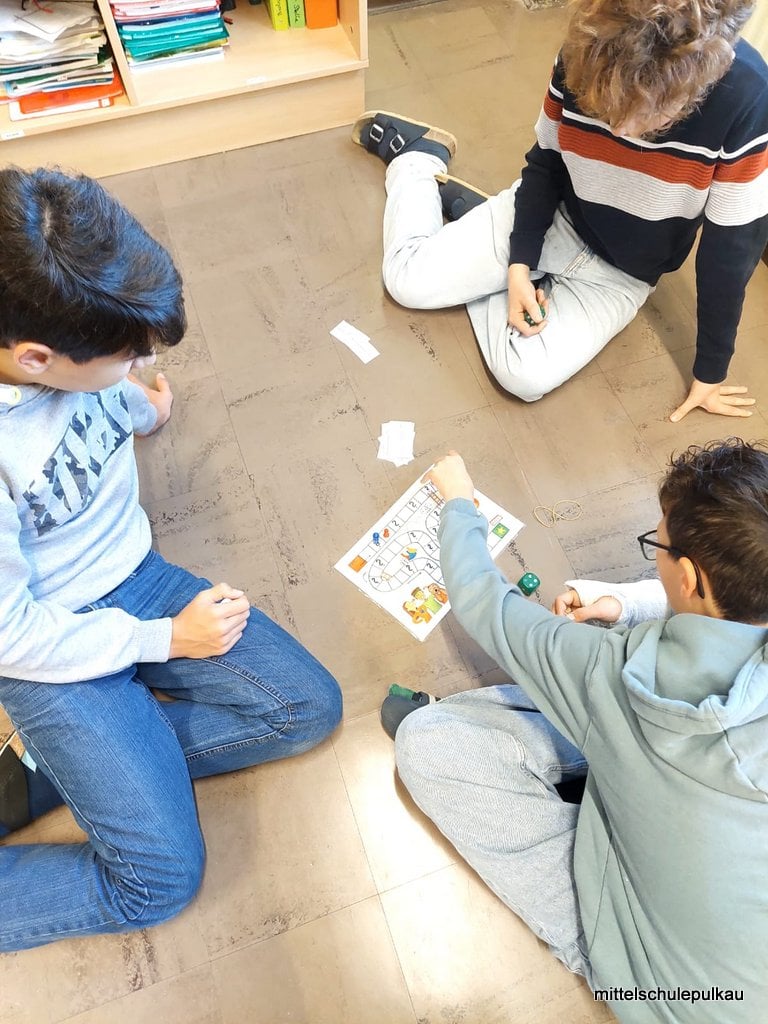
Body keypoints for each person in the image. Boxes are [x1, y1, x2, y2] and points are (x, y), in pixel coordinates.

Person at [0, 167, 342, 952]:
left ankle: (70, 765)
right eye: (127, 356)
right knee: (155, 882)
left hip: (135, 576)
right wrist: (164, 641)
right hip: (44, 638)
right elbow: (12, 637)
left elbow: (87, 403)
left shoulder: (52, 319)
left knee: (307, 709)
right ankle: (81, 757)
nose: (141, 362)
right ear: (35, 358)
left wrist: (134, 406)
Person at [393, 442, 768, 1023]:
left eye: (658, 547)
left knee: (429, 741)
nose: (656, 555)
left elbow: (484, 601)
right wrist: (627, 605)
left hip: (680, 999)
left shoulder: (613, 671)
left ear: (689, 576)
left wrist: (459, 504)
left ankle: (604, 950)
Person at [352, 0, 768, 423]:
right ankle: (419, 157)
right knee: (406, 281)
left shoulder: (749, 98)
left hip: (621, 276)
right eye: (606, 110)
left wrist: (710, 373)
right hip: (557, 215)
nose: (621, 130)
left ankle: (474, 217)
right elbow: (546, 162)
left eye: (650, 114)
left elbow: (730, 252)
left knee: (523, 375)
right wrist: (520, 264)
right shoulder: (587, 47)